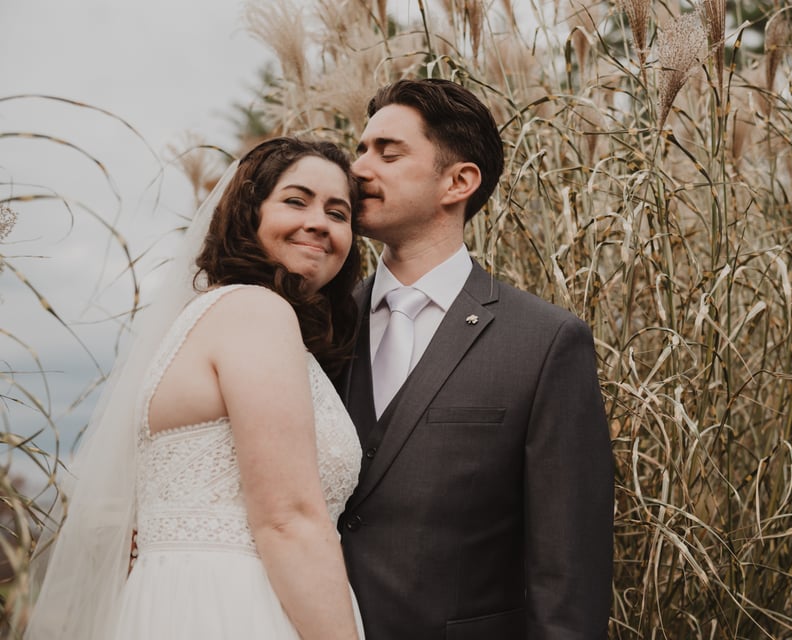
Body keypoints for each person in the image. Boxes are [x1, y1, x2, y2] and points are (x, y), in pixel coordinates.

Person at [26, 137, 365, 640]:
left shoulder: (207, 317)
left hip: (172, 597)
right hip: (237, 605)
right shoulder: (256, 312)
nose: (319, 221)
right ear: (249, 213)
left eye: (338, 213)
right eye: (296, 201)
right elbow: (286, 521)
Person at [336, 78, 614, 639]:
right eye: (360, 150)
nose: (358, 169)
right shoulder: (314, 324)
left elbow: (568, 572)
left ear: (458, 182)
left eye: (388, 153)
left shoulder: (545, 342)